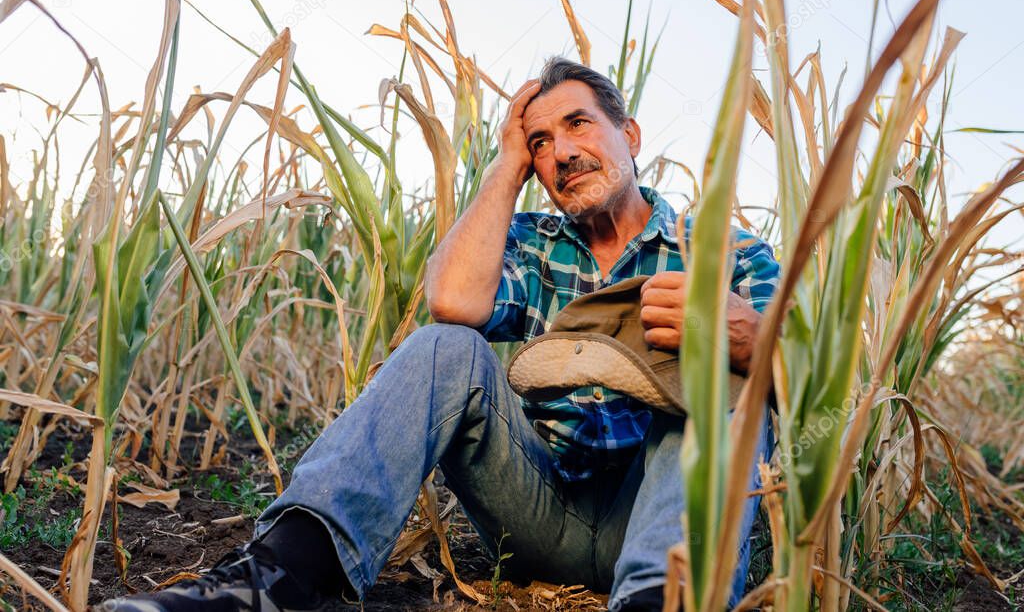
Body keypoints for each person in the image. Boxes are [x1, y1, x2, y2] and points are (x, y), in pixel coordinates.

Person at [101, 57, 780, 612]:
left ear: (630, 135)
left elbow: (820, 385)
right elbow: (454, 300)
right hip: (545, 509)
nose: (563, 152)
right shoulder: (533, 243)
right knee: (444, 345)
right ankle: (282, 580)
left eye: (578, 124)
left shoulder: (730, 252)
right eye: (541, 142)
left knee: (728, 373)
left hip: (664, 517)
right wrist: (507, 164)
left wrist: (753, 339)